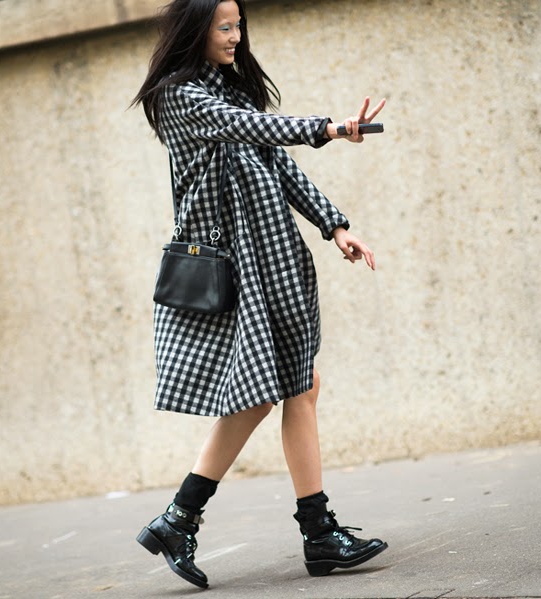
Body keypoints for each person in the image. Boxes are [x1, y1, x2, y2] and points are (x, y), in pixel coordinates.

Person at [131, 0, 388, 589]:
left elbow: (278, 164)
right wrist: (329, 128)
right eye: (224, 26)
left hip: (274, 257)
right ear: (195, 29)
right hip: (234, 266)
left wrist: (334, 225)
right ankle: (302, 531)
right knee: (278, 387)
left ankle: (189, 520)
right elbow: (255, 129)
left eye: (239, 24)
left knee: (295, 384)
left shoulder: (231, 89)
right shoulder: (181, 97)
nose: (235, 35)